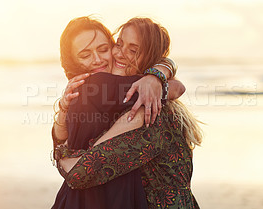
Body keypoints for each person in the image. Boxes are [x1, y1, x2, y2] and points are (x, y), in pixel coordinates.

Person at [54, 17, 202, 208]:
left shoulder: (148, 112)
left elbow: (80, 172)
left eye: (133, 50)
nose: (119, 54)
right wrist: (160, 73)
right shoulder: (117, 97)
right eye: (119, 44)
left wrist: (62, 158)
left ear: (148, 58)